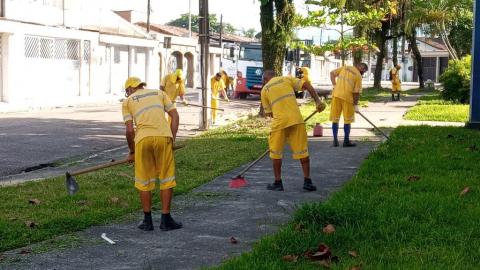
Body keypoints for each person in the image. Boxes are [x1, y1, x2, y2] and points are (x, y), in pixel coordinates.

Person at [122, 77, 182, 231]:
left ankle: (147, 221)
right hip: (164, 137)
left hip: (142, 140)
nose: (126, 94)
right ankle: (166, 220)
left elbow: (129, 131)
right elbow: (175, 116)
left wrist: (132, 152)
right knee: (167, 178)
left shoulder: (127, 101)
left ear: (130, 89)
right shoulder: (159, 93)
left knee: (144, 180)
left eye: (126, 91)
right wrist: (171, 140)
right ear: (142, 86)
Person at [261, 70, 325, 192]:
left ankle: (278, 183)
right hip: (296, 120)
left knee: (276, 153)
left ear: (265, 80)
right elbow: (306, 85)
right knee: (302, 151)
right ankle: (307, 181)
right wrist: (317, 101)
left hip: (279, 123)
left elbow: (269, 114)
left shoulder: (264, 90)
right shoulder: (287, 79)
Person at [329, 63, 368, 147]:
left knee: (335, 119)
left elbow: (332, 73)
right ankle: (346, 141)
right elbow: (356, 92)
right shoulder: (358, 76)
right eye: (364, 71)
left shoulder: (345, 67)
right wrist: (355, 105)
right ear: (361, 68)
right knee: (348, 120)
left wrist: (334, 85)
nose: (363, 73)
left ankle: (335, 141)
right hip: (347, 98)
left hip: (336, 95)